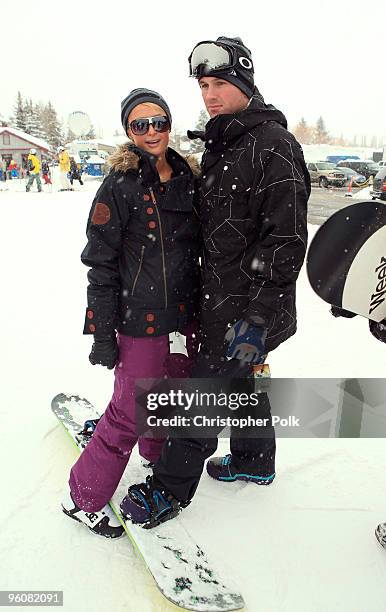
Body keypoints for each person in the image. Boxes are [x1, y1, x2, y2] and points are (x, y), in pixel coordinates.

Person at [120, 36, 310, 528]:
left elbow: (285, 242)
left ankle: (168, 489)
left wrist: (257, 319)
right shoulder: (226, 144)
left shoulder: (275, 148)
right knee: (242, 384)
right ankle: (254, 460)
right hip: (220, 296)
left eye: (220, 83)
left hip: (245, 307)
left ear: (245, 83)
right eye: (204, 85)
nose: (209, 94)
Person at [61, 88, 201, 538]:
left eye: (158, 121)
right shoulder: (118, 186)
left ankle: (154, 456)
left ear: (169, 123)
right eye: (140, 124)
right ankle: (81, 498)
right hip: (138, 319)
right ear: (128, 131)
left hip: (182, 318)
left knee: (169, 400)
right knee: (130, 410)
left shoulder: (187, 177)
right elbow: (100, 265)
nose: (152, 132)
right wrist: (103, 334)